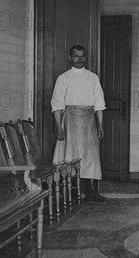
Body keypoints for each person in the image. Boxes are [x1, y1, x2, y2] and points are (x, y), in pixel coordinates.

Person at [51, 45, 107, 202]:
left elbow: (99, 104)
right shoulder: (63, 78)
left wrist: (100, 125)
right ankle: (69, 191)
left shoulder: (92, 77)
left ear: (86, 57)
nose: (79, 59)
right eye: (76, 56)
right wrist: (58, 126)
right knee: (69, 155)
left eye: (82, 56)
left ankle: (92, 191)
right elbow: (57, 104)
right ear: (70, 58)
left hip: (89, 120)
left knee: (91, 156)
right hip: (70, 120)